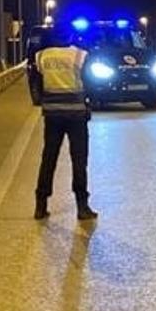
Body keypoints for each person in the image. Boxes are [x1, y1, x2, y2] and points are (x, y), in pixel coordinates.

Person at [31, 28, 98, 221]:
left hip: (52, 115)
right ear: (69, 37)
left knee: (49, 158)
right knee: (79, 159)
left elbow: (36, 82)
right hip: (76, 114)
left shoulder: (41, 56)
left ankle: (40, 205)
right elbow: (90, 84)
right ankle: (82, 206)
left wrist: (41, 101)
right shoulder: (79, 54)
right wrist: (89, 103)